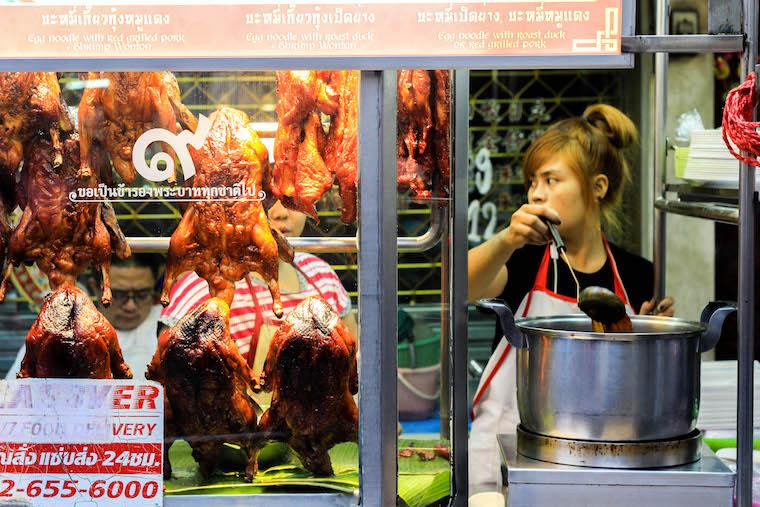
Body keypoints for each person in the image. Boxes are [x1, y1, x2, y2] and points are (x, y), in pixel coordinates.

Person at [467, 104, 675, 492]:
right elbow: (460, 286)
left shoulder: (635, 274)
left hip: (603, 464)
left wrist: (648, 331)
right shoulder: (525, 259)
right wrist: (505, 240)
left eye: (551, 180)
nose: (536, 193)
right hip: (503, 462)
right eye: (532, 181)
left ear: (597, 187)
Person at [159, 200, 357, 377]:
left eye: (293, 202)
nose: (281, 213)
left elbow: (353, 364)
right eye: (266, 201)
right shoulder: (204, 283)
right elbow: (170, 376)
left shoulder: (322, 275)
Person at [6, 253, 164, 380]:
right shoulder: (61, 326)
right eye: (120, 294)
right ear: (96, 288)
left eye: (142, 294)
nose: (131, 306)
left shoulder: (167, 323)